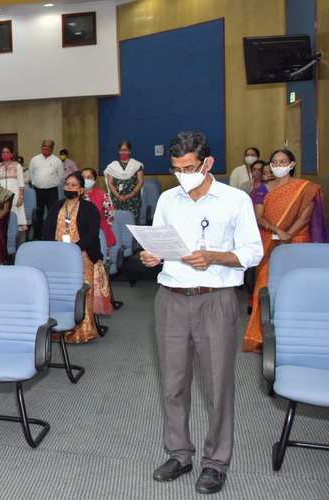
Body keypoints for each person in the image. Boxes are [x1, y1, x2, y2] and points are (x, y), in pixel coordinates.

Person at [140, 131, 262, 495]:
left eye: (190, 167)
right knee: (173, 384)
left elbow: (253, 252)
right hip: (171, 297)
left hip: (216, 299)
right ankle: (180, 453)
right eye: (177, 169)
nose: (183, 175)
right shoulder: (167, 199)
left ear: (207, 163)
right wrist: (150, 257)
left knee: (217, 386)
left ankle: (216, 462)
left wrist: (215, 257)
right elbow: (158, 244)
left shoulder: (235, 200)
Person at [242, 149, 327, 352]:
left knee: (299, 287)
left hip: (298, 241)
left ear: (292, 164)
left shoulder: (305, 188)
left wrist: (288, 233)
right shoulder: (263, 189)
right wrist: (278, 231)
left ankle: (300, 335)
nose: (278, 165)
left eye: (283, 162)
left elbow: (304, 217)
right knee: (265, 285)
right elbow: (259, 217)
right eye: (274, 162)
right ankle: (262, 338)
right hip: (270, 242)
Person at [42, 173, 111, 344]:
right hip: (57, 256)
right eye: (67, 184)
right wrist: (55, 249)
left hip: (82, 254)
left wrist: (74, 249)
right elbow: (46, 231)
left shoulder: (90, 209)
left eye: (74, 185)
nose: (70, 187)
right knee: (57, 290)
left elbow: (92, 235)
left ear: (81, 189)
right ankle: (57, 329)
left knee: (81, 290)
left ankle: (82, 330)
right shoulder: (55, 206)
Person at [28, 139, 63, 240]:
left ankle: (52, 235)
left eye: (49, 146)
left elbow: (60, 177)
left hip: (52, 191)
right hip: (38, 191)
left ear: (52, 148)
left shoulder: (57, 161)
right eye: (45, 146)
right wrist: (36, 183)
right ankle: (37, 236)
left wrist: (52, 182)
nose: (46, 148)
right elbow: (31, 174)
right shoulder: (34, 159)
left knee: (53, 213)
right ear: (41, 146)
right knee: (38, 214)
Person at [105, 141, 145, 221]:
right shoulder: (112, 166)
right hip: (116, 199)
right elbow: (110, 183)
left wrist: (129, 195)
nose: (123, 152)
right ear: (118, 151)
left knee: (132, 223)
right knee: (117, 222)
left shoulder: (137, 165)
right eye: (121, 150)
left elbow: (140, 182)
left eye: (125, 150)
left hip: (133, 200)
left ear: (129, 151)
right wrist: (119, 196)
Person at [80, 168, 117, 248]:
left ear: (95, 180)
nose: (86, 180)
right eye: (83, 177)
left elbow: (110, 217)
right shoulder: (75, 196)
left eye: (89, 177)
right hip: (80, 234)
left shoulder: (103, 195)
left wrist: (99, 229)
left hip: (100, 233)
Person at [0, 147, 27, 232]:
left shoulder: (17, 166)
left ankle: (16, 239)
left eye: (7, 152)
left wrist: (20, 198)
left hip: (15, 196)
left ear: (11, 154)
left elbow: (21, 184)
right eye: (3, 152)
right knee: (2, 219)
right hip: (1, 196)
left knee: (15, 217)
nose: (5, 154)